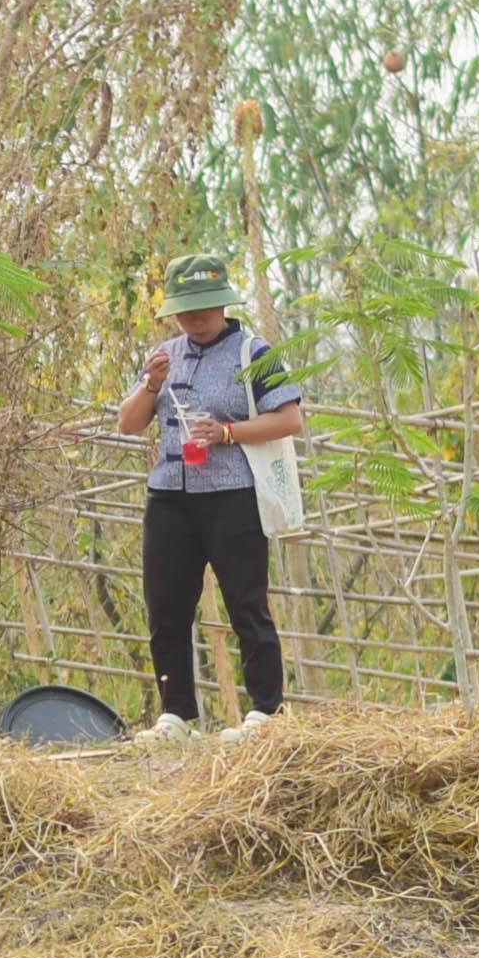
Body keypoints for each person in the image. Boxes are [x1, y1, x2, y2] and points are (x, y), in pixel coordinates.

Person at [112, 250, 306, 739]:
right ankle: (175, 714)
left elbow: (289, 419)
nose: (195, 319)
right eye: (185, 310)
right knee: (166, 606)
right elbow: (130, 423)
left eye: (204, 308)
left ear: (223, 305)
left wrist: (227, 433)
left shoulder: (253, 353)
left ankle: (265, 710)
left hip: (232, 493)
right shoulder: (165, 355)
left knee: (247, 603)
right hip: (170, 496)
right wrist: (151, 385)